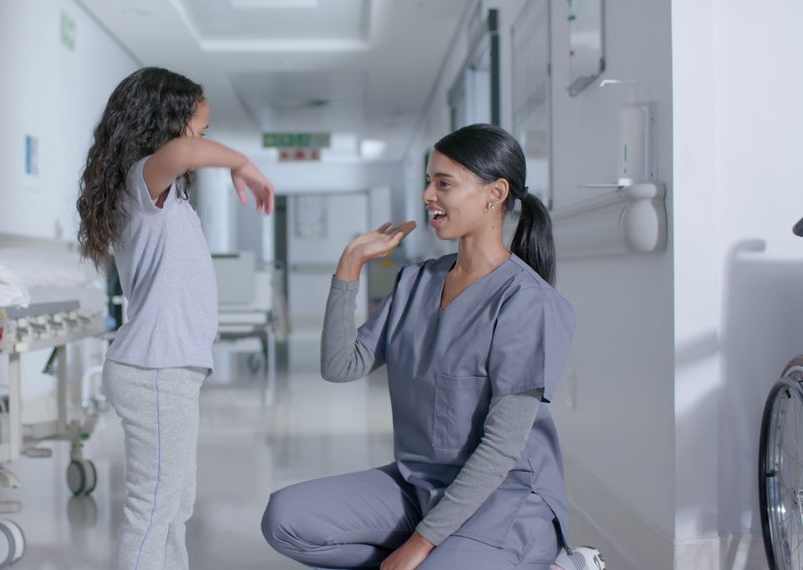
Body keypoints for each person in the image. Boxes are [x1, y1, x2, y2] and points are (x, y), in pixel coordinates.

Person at [261, 124, 598, 569]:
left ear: (494, 193)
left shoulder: (526, 301)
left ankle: (560, 563)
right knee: (284, 518)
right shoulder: (416, 282)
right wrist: (349, 267)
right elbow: (341, 365)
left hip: (504, 501)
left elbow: (501, 450)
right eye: (428, 181)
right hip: (419, 485)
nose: (427, 196)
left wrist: (417, 546)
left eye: (444, 183)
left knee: (422, 558)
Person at [77, 66, 274, 570]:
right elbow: (184, 155)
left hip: (168, 369)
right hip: (155, 368)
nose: (202, 142)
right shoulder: (142, 182)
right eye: (199, 130)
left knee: (175, 506)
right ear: (163, 125)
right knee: (154, 507)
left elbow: (185, 153)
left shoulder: (163, 195)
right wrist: (242, 162)